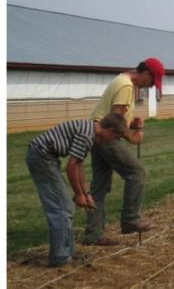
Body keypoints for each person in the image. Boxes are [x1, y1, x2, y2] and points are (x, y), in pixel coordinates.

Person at [26, 113, 129, 266]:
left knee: (65, 207)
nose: (114, 140)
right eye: (116, 137)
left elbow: (79, 165)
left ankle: (68, 254)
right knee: (61, 208)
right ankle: (60, 258)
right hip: (41, 157)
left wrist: (86, 193)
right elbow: (71, 167)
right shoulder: (87, 136)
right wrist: (78, 194)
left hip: (46, 157)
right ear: (110, 130)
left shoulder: (89, 131)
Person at [84, 58, 165, 246]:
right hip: (105, 136)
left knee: (99, 187)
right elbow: (114, 119)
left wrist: (130, 124)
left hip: (94, 134)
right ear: (146, 74)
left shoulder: (120, 80)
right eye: (152, 82)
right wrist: (132, 136)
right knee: (137, 173)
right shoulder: (126, 86)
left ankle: (93, 234)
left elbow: (118, 116)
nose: (151, 86)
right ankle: (130, 219)